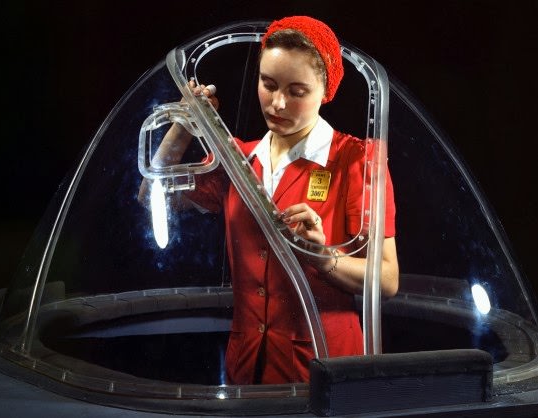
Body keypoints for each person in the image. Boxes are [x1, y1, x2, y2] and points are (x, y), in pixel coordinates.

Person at [141, 15, 399, 385]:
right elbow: (151, 196)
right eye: (268, 84)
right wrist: (185, 123)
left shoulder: (357, 161)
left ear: (325, 91)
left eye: (297, 92)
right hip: (247, 369)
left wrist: (323, 257)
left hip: (325, 368)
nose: (277, 103)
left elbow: (387, 280)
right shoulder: (237, 160)